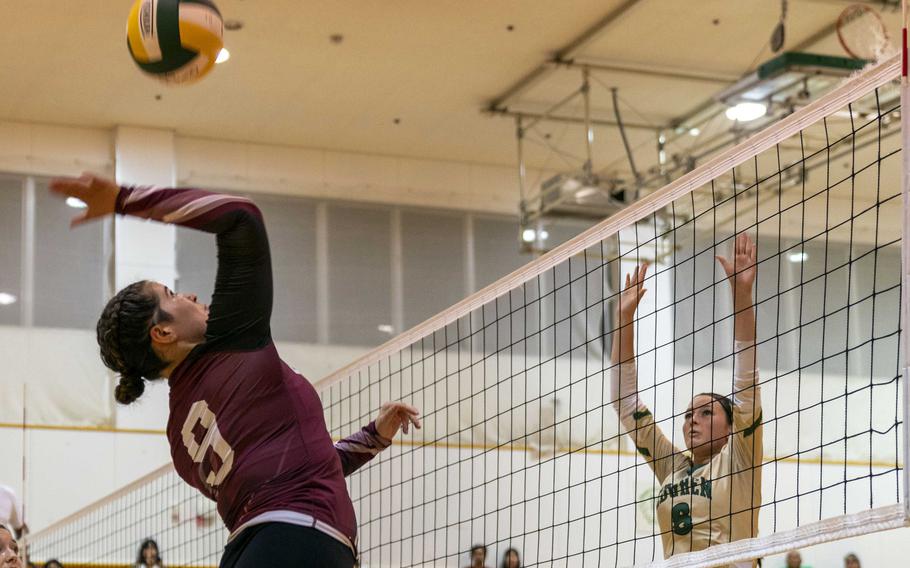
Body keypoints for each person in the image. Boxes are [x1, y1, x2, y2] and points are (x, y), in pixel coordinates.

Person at [50, 174, 422, 568]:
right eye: (172, 295)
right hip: (302, 542)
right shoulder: (232, 339)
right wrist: (125, 198)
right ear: (162, 332)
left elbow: (296, 473)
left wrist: (372, 438)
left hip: (252, 550)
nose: (189, 295)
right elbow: (242, 217)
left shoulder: (180, 438)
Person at [610, 234, 762, 564]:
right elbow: (625, 404)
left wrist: (741, 297)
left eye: (707, 413)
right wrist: (623, 320)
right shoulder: (674, 467)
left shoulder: (739, 458)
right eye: (689, 414)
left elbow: (746, 382)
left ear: (732, 423)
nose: (693, 419)